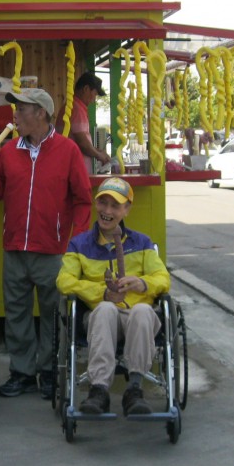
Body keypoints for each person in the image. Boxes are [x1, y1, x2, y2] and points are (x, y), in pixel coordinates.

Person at [0, 88, 92, 399]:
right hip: (14, 246)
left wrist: (77, 243)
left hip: (53, 250)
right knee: (16, 314)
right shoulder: (8, 150)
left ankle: (51, 371)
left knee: (55, 315)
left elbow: (83, 200)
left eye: (21, 109)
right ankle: (22, 373)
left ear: (40, 113)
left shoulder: (67, 150)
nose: (15, 115)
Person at [56, 177, 171, 416]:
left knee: (142, 311)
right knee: (105, 309)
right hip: (99, 316)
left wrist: (142, 283)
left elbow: (163, 278)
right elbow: (64, 281)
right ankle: (99, 390)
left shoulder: (142, 242)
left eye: (115, 206)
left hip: (136, 314)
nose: (107, 211)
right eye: (103, 203)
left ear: (126, 209)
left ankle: (135, 389)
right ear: (96, 204)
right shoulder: (79, 244)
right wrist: (102, 292)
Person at [67, 71, 113, 173]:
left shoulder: (72, 106)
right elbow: (82, 143)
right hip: (75, 171)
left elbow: (80, 141)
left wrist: (98, 151)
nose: (93, 100)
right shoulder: (76, 109)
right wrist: (99, 155)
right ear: (86, 89)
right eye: (95, 94)